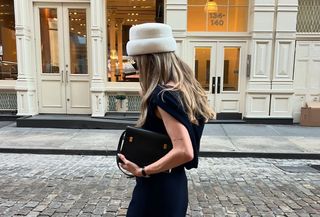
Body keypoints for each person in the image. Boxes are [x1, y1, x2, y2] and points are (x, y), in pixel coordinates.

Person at [117, 23, 214, 217]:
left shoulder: (162, 96)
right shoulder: (183, 89)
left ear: (149, 61)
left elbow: (185, 151)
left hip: (157, 188)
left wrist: (143, 171)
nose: (136, 68)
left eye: (136, 63)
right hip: (174, 183)